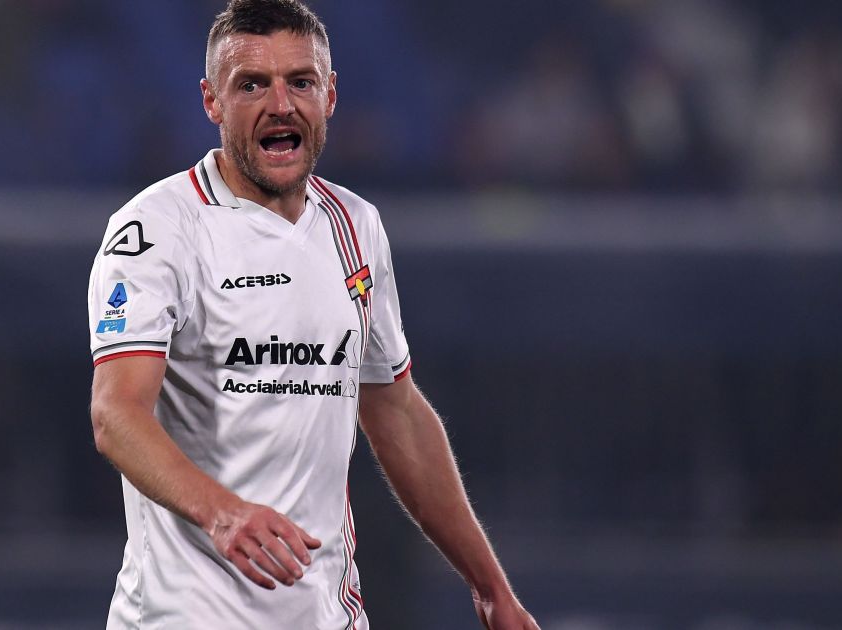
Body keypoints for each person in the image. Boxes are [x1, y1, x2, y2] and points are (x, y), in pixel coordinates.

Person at [87, 1, 539, 627]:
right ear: (211, 101)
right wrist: (223, 513)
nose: (281, 104)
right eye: (252, 85)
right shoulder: (156, 229)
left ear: (329, 95)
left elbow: (397, 411)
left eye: (300, 82)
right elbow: (116, 414)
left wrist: (490, 586)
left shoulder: (356, 227)